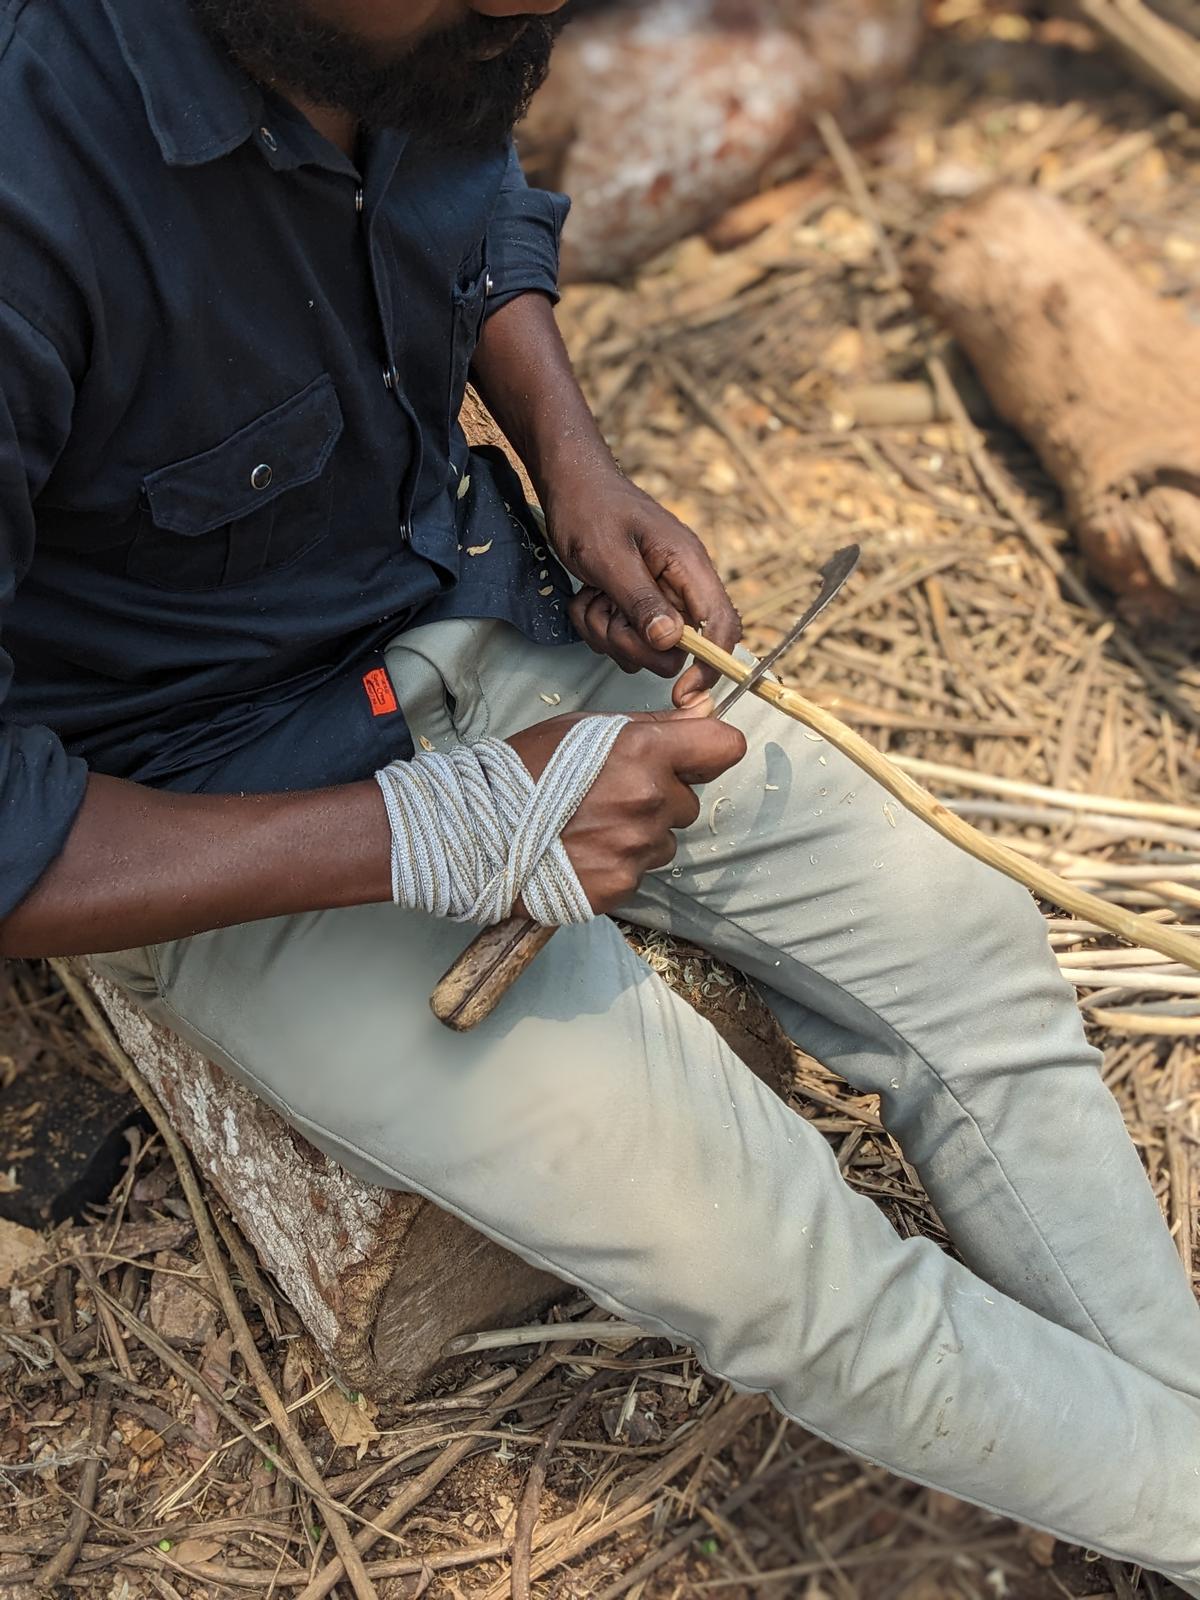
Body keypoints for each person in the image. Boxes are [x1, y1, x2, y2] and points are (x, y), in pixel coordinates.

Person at [2, 0, 1198, 1586]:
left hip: (476, 597)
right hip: (218, 803)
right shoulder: (28, 177)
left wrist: (571, 457)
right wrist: (431, 829)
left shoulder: (427, 34)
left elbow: (466, 201)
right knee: (791, 1271)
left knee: (970, 952)